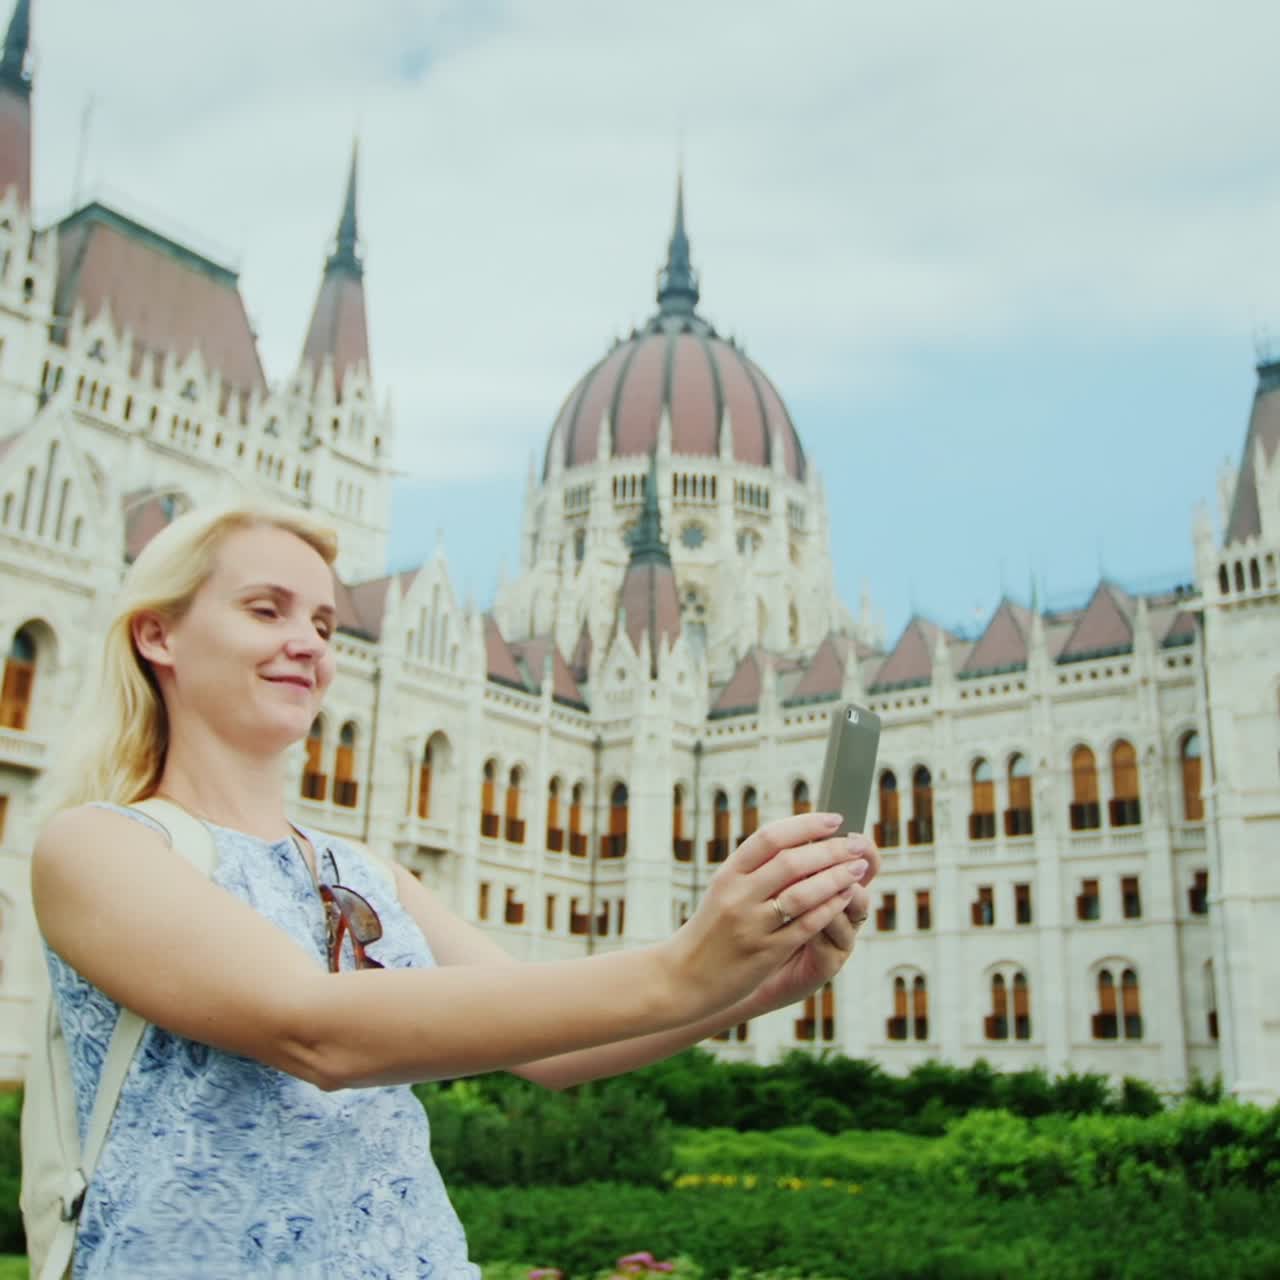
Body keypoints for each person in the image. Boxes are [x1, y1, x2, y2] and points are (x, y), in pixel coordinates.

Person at [31, 501, 880, 1278]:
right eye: (267, 610)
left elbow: (555, 1053)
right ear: (158, 636)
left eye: (326, 622)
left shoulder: (369, 875)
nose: (311, 644)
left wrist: (753, 985)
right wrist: (686, 967)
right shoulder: (97, 848)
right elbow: (316, 1031)